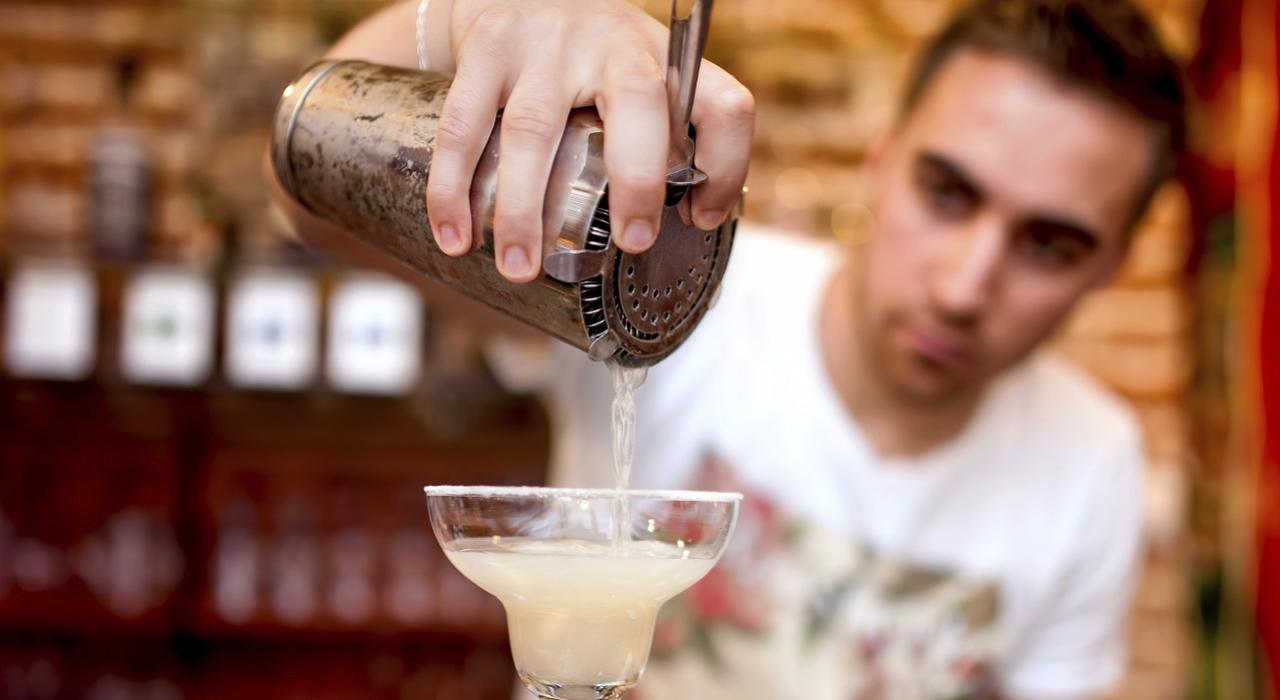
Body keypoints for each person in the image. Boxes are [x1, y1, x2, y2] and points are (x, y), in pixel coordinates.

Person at [274, 0, 1187, 697]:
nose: (963, 287)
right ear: (883, 157)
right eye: (947, 193)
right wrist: (463, 20)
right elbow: (305, 200)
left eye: (1050, 245)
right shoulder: (663, 286)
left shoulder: (1090, 460)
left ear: (1111, 268)